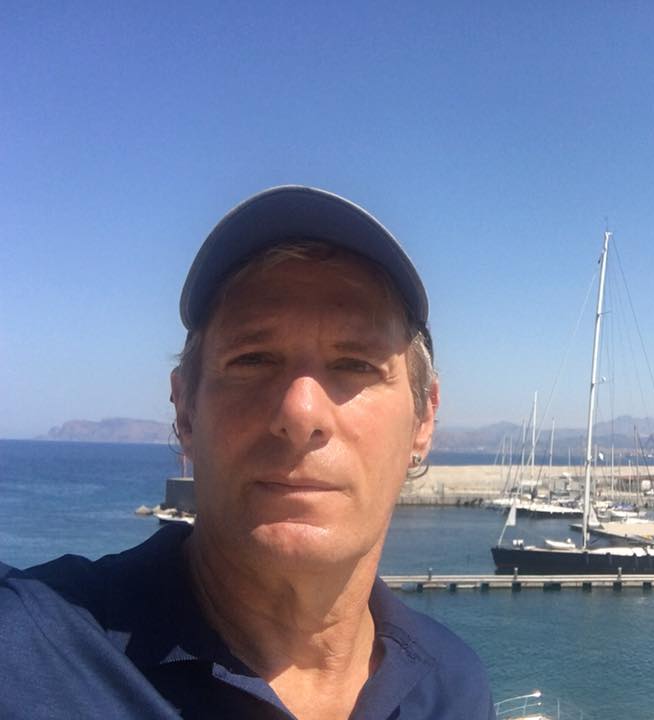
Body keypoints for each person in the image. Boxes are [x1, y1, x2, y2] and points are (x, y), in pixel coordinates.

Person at [0, 186, 495, 719]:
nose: (300, 412)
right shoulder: (32, 653)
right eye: (253, 359)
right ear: (185, 411)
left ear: (424, 420)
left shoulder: (452, 689)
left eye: (356, 364)